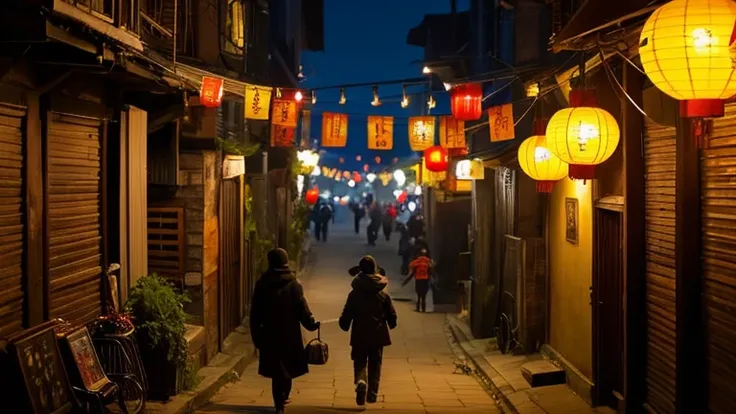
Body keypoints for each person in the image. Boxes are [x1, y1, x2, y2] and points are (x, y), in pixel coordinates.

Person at [250, 248, 320, 414]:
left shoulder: (262, 284)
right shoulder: (294, 284)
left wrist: (256, 336)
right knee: (288, 368)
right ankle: (284, 396)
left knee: (276, 371)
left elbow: (255, 313)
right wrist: (311, 324)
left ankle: (278, 404)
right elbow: (302, 308)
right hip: (290, 334)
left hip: (269, 333)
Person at [340, 256, 398, 406]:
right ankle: (372, 393)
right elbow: (392, 316)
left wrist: (344, 324)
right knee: (375, 363)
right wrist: (392, 323)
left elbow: (346, 315)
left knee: (359, 361)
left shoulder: (354, 294)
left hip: (359, 334)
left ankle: (360, 380)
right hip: (378, 335)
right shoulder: (383, 295)